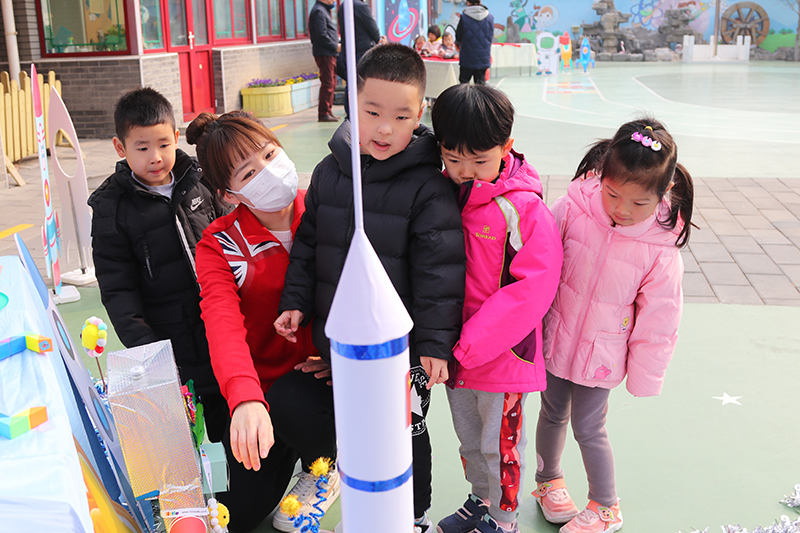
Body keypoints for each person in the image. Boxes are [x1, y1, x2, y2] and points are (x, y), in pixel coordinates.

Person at [275, 43, 466, 533]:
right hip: (339, 343)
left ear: (419, 113)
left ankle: (411, 515)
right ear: (349, 105)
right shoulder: (330, 172)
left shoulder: (429, 185)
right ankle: (341, 486)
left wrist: (433, 346)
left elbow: (439, 275)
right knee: (318, 410)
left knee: (403, 433)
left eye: (401, 116)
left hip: (398, 355)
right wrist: (296, 302)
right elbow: (308, 246)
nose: (385, 128)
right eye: (372, 111)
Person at [533, 118, 694, 533]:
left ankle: (605, 507)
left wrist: (645, 375)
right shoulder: (573, 206)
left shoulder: (659, 248)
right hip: (556, 335)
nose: (621, 209)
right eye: (612, 194)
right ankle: (548, 481)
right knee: (551, 413)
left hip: (600, 353)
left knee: (589, 426)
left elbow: (661, 317)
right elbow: (538, 255)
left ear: (664, 193)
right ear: (601, 175)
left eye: (638, 203)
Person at [188, 111, 339, 533]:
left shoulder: (329, 208)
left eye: (271, 154)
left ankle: (325, 466)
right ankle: (289, 451)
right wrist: (245, 398)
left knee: (297, 401)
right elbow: (221, 324)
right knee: (239, 517)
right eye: (249, 171)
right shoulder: (219, 244)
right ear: (230, 194)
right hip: (263, 396)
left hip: (326, 382)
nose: (270, 171)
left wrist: (341, 355)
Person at [430, 84, 563, 533]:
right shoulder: (442, 193)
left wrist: (467, 345)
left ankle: (504, 520)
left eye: (479, 160)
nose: (466, 171)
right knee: (469, 439)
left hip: (500, 357)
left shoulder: (523, 210)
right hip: (454, 356)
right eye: (453, 158)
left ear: (507, 147)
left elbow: (530, 291)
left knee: (501, 444)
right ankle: (479, 499)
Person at [89, 87, 228, 442]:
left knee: (228, 417)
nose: (156, 157)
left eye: (164, 144)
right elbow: (118, 289)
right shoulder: (113, 208)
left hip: (221, 323)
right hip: (170, 341)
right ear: (121, 148)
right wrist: (149, 350)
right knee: (185, 434)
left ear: (176, 137)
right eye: (142, 147)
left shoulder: (200, 180)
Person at [308, 0, 341, 122]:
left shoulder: (323, 10)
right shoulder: (319, 11)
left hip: (329, 53)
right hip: (324, 53)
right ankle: (324, 113)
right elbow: (321, 34)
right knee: (327, 82)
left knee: (332, 82)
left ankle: (328, 110)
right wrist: (335, 46)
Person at [455, 0, 494, 84]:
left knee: (464, 86)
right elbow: (490, 37)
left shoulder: (464, 17)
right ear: (480, 1)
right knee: (481, 87)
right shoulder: (490, 17)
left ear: (468, 2)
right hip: (483, 58)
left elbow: (458, 36)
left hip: (467, 58)